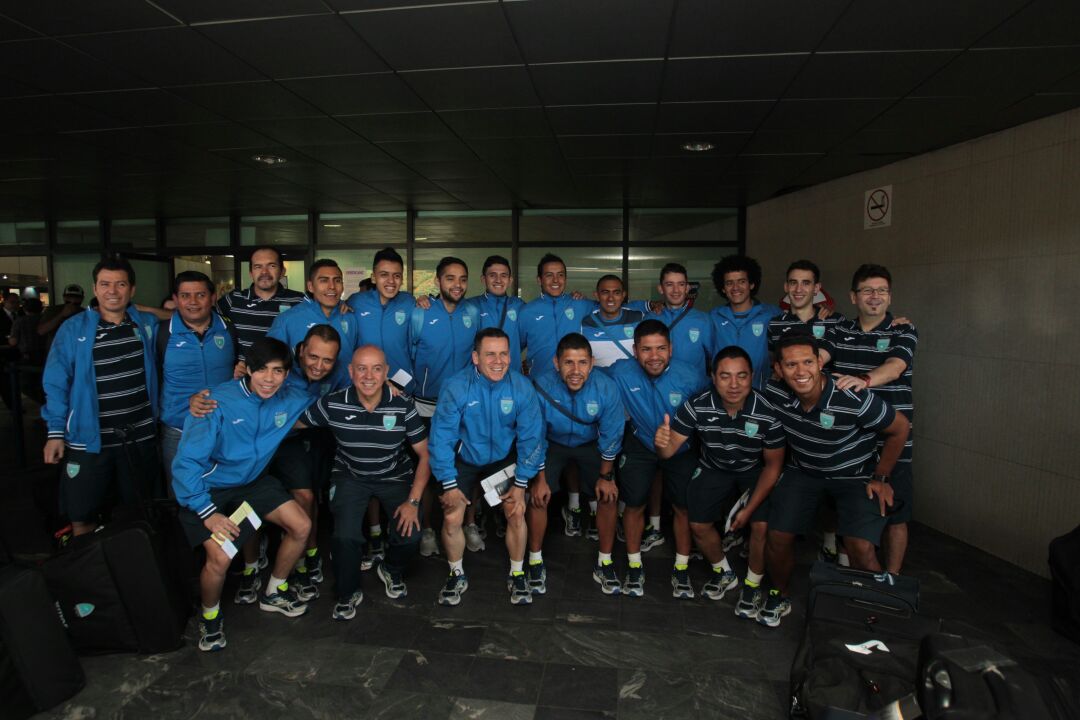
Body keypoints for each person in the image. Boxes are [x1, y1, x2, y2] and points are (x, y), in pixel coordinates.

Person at [172, 337, 317, 651]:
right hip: (209, 490)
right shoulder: (214, 402)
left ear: (286, 374)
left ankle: (274, 591)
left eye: (278, 371)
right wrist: (207, 513)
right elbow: (185, 465)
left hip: (253, 483)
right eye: (262, 370)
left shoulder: (290, 399)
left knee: (302, 525)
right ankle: (210, 619)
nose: (269, 379)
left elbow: (329, 399)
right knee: (220, 558)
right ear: (247, 369)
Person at [760, 333, 910, 627]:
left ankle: (875, 612)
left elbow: (900, 428)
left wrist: (881, 477)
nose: (801, 372)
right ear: (778, 369)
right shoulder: (773, 393)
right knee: (777, 536)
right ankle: (779, 593)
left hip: (853, 476)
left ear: (819, 362)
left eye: (807, 362)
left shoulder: (850, 395)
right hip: (803, 472)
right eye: (791, 365)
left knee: (861, 547)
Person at [299, 345, 431, 619]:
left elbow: (425, 454)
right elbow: (292, 423)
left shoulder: (402, 404)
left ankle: (390, 569)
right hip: (350, 476)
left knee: (411, 534)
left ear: (386, 373)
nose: (368, 376)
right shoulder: (333, 403)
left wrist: (413, 501)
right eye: (361, 368)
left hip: (394, 475)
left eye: (376, 368)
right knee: (344, 537)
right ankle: (347, 592)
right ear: (350, 371)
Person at [655, 346, 785, 619]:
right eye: (725, 376)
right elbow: (668, 452)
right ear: (713, 377)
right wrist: (662, 443)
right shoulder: (697, 404)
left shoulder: (767, 411)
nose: (734, 385)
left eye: (742, 376)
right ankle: (724, 571)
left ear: (752, 377)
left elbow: (773, 466)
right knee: (698, 525)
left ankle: (752, 585)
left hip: (753, 470)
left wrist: (747, 511)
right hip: (713, 467)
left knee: (761, 526)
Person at [428, 328, 545, 606]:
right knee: (452, 517)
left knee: (516, 511)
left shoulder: (521, 387)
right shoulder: (456, 386)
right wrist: (449, 483)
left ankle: (517, 573)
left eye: (504, 354)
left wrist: (521, 484)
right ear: (475, 357)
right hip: (465, 458)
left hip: (501, 458)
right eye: (490, 354)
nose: (498, 361)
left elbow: (532, 437)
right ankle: (456, 574)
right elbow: (441, 437)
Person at [607, 320, 709, 598]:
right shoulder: (620, 372)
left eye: (661, 348)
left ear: (671, 348)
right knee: (634, 503)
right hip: (640, 444)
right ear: (634, 350)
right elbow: (587, 379)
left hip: (681, 448)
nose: (654, 356)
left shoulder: (692, 376)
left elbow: (711, 410)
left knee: (682, 507)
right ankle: (634, 564)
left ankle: (681, 567)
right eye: (647, 349)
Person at [830, 264, 918, 574]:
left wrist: (863, 380)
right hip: (850, 442)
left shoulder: (902, 330)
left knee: (896, 514)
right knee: (850, 510)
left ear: (890, 296)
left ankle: (891, 580)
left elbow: (895, 367)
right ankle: (849, 571)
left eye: (882, 290)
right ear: (853, 297)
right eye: (867, 290)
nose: (875, 296)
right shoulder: (839, 331)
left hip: (893, 439)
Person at [528, 333, 625, 595]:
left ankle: (605, 561)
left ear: (592, 363)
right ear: (556, 363)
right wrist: (538, 480)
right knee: (537, 497)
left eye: (582, 363)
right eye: (568, 362)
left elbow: (612, 432)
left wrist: (606, 477)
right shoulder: (540, 385)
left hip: (591, 444)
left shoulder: (606, 388)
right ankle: (534, 560)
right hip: (552, 443)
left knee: (608, 496)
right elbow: (533, 434)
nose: (575, 370)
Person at [407, 256, 479, 557]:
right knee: (425, 467)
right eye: (450, 278)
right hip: (424, 406)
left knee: (468, 466)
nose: (457, 285)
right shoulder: (420, 314)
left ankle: (469, 524)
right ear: (438, 281)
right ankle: (426, 529)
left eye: (462, 279)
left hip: (461, 405)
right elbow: (409, 355)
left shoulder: (473, 313)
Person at [154, 271, 236, 487]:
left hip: (223, 429)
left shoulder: (229, 329)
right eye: (185, 295)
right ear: (175, 299)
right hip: (178, 431)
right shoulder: (161, 334)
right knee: (181, 494)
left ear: (212, 297)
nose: (192, 302)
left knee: (224, 493)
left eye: (200, 295)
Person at [267, 259, 359, 389]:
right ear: (310, 286)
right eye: (324, 280)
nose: (332, 286)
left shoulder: (350, 317)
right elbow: (269, 361)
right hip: (298, 400)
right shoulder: (287, 319)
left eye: (337, 280)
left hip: (340, 399)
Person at [216, 247, 305, 373]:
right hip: (245, 380)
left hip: (287, 380)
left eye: (271, 266)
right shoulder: (232, 300)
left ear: (282, 271)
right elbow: (204, 320)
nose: (264, 272)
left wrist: (342, 306)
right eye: (258, 267)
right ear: (251, 273)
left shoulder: (300, 301)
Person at [348, 248, 415, 394]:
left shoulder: (409, 302)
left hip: (401, 387)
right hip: (364, 387)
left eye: (396, 276)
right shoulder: (356, 302)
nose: (391, 281)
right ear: (373, 277)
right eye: (384, 275)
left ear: (402, 279)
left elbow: (416, 351)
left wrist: (397, 384)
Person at [629, 263, 714, 377]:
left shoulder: (703, 320)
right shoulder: (650, 318)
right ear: (660, 288)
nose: (676, 290)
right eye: (669, 284)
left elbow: (714, 358)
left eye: (681, 284)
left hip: (694, 388)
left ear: (687, 288)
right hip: (658, 387)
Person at [519, 253, 597, 375]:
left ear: (565, 278)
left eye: (560, 275)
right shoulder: (526, 312)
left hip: (574, 381)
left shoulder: (580, 304)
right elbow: (513, 348)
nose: (556, 280)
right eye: (549, 275)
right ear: (539, 280)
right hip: (540, 384)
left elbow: (609, 306)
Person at [710, 255, 781, 389]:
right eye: (729, 283)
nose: (735, 287)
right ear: (723, 288)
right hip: (724, 394)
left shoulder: (772, 314)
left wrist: (823, 311)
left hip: (762, 394)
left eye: (741, 281)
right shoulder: (713, 317)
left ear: (752, 284)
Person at [767, 260, 843, 364]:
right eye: (793, 283)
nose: (798, 289)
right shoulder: (774, 324)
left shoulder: (835, 321)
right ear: (786, 287)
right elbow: (774, 365)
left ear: (816, 288)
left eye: (806, 283)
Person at [581, 275, 644, 368]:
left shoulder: (639, 318)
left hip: (631, 382)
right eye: (605, 292)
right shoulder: (585, 324)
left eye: (616, 293)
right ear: (597, 296)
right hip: (600, 381)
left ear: (623, 295)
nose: (610, 298)